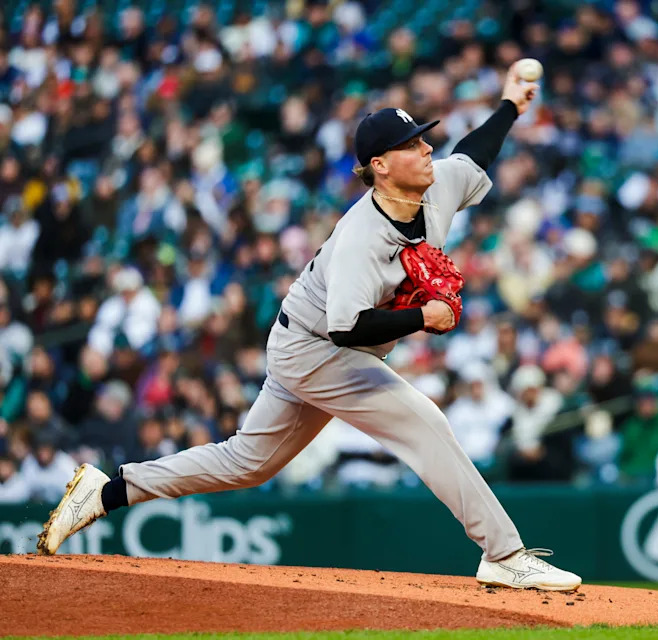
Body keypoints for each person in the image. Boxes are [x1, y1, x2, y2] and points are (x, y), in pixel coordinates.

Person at [38, 63, 582, 592]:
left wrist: (510, 105)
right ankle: (505, 555)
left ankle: (108, 491)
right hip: (317, 346)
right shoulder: (361, 235)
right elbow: (347, 328)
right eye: (412, 144)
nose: (426, 148)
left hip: (311, 341)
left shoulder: (436, 186)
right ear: (380, 165)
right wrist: (422, 316)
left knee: (247, 463)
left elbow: (476, 154)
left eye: (423, 138)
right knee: (424, 422)